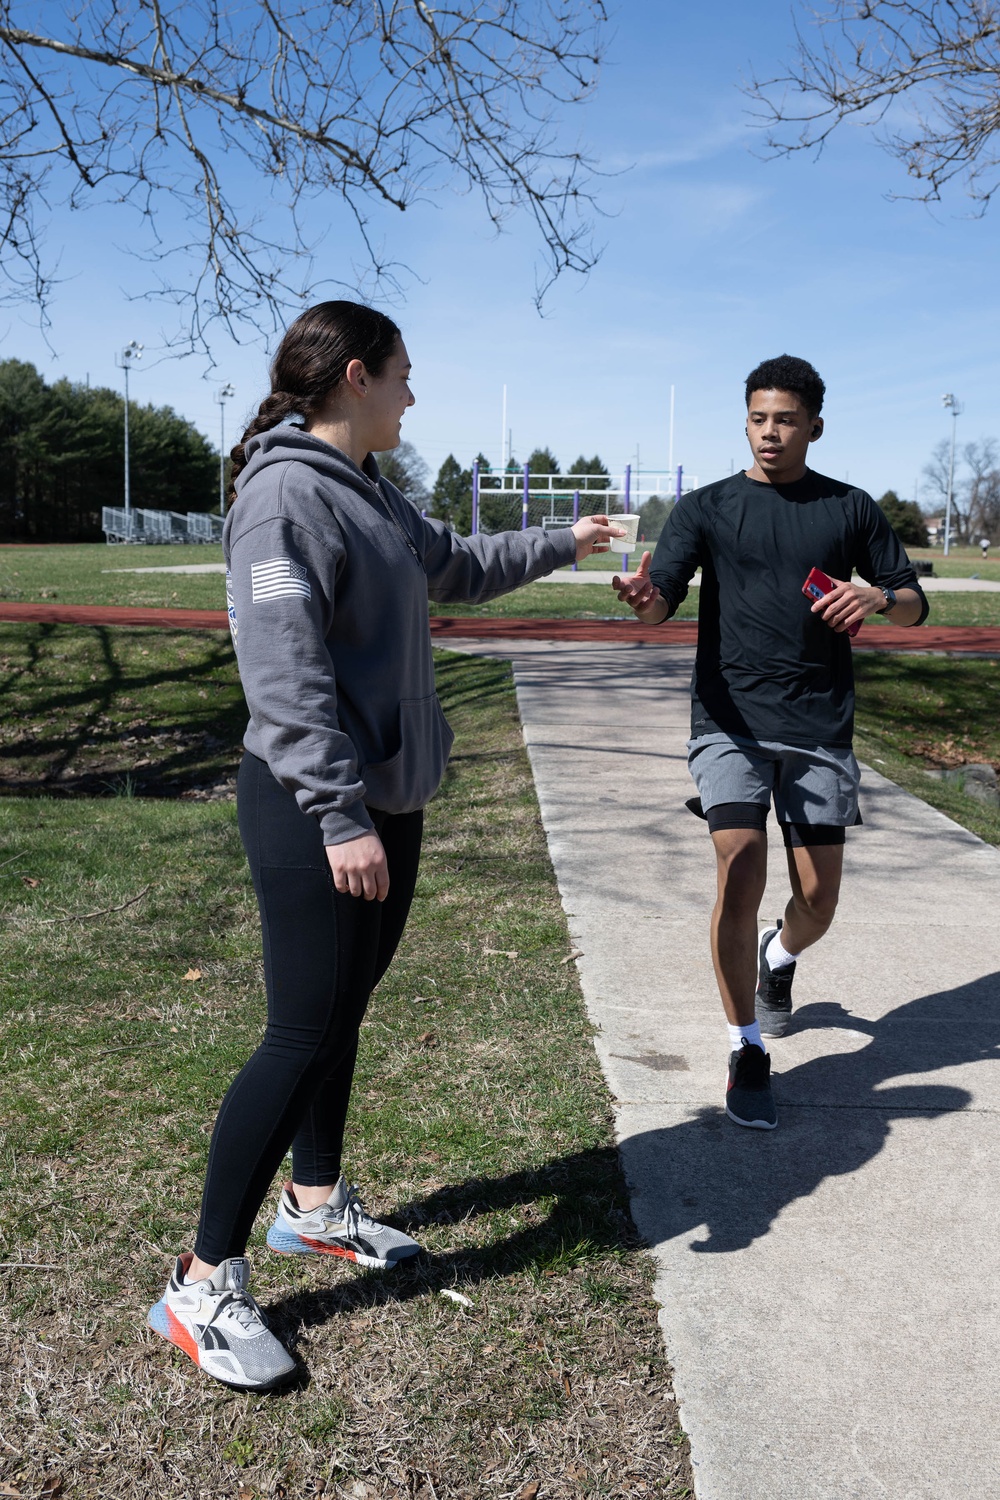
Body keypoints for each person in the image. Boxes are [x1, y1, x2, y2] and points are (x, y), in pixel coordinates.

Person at [147, 300, 624, 1389]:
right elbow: (283, 671)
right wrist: (339, 812)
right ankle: (199, 1280)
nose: (415, 392)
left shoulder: (370, 492)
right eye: (405, 374)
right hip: (318, 807)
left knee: (340, 1014)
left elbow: (457, 564)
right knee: (299, 1031)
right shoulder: (282, 498)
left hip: (380, 800)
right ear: (356, 377)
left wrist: (566, 539)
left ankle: (314, 1206)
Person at [612, 355, 928, 1131]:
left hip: (820, 728)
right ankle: (745, 1045)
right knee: (739, 857)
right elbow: (659, 609)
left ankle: (777, 958)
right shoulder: (709, 507)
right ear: (746, 421)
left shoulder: (850, 508)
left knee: (818, 901)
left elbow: (915, 607)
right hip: (730, 722)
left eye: (785, 419)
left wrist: (877, 592)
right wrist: (644, 598)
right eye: (758, 418)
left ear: (814, 425)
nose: (770, 433)